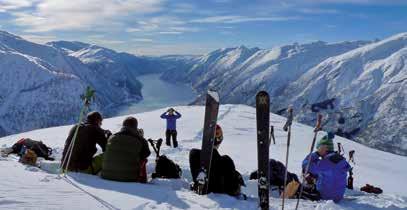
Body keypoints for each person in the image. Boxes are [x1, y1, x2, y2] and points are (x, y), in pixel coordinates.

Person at [189, 124, 245, 196]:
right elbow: (232, 190)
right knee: (226, 160)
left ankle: (200, 181)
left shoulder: (194, 154)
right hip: (220, 194)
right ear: (219, 140)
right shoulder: (226, 161)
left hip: (202, 191)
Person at [297, 132, 351, 202]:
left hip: (326, 197)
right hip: (338, 196)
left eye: (318, 149)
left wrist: (317, 154)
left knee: (298, 190)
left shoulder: (326, 162)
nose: (317, 150)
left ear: (323, 148)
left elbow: (305, 165)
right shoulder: (338, 160)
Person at [101, 117, 151, 182]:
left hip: (106, 175)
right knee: (143, 160)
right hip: (129, 178)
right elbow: (146, 154)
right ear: (135, 127)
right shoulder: (140, 139)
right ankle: (143, 180)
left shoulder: (112, 137)